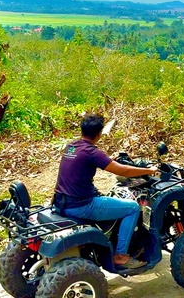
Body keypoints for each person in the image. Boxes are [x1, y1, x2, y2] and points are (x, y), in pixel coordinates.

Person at [52, 114, 158, 270]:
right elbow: (123, 171)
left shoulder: (71, 147)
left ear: (82, 130)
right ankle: (120, 255)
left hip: (60, 202)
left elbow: (84, 164)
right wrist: (149, 170)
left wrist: (108, 159)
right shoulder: (91, 152)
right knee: (132, 208)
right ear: (99, 134)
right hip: (81, 205)